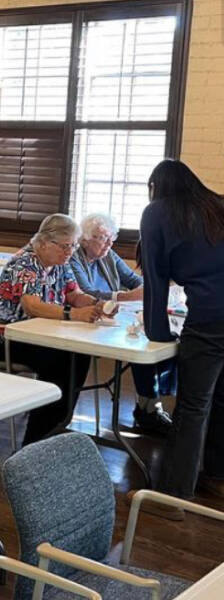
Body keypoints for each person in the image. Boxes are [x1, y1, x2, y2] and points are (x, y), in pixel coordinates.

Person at [0, 213, 104, 445]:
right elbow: (32, 306)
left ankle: (58, 422)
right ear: (45, 242)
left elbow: (74, 294)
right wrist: (74, 315)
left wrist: (96, 305)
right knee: (57, 360)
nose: (70, 251)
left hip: (38, 335)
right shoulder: (24, 263)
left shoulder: (59, 263)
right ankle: (36, 438)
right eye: (65, 246)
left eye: (74, 245)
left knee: (79, 354)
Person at [140, 159, 224, 508]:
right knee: (222, 401)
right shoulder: (217, 204)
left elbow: (155, 280)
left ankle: (173, 498)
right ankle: (217, 479)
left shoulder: (158, 213)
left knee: (192, 407)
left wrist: (158, 332)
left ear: (157, 186)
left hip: (209, 321)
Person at [70, 213, 175, 435]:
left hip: (116, 318)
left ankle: (149, 405)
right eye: (103, 238)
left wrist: (146, 290)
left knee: (154, 341)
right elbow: (87, 292)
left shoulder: (108, 254)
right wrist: (125, 296)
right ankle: (148, 409)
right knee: (140, 346)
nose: (109, 243)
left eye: (111, 238)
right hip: (88, 322)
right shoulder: (74, 258)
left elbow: (135, 281)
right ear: (86, 239)